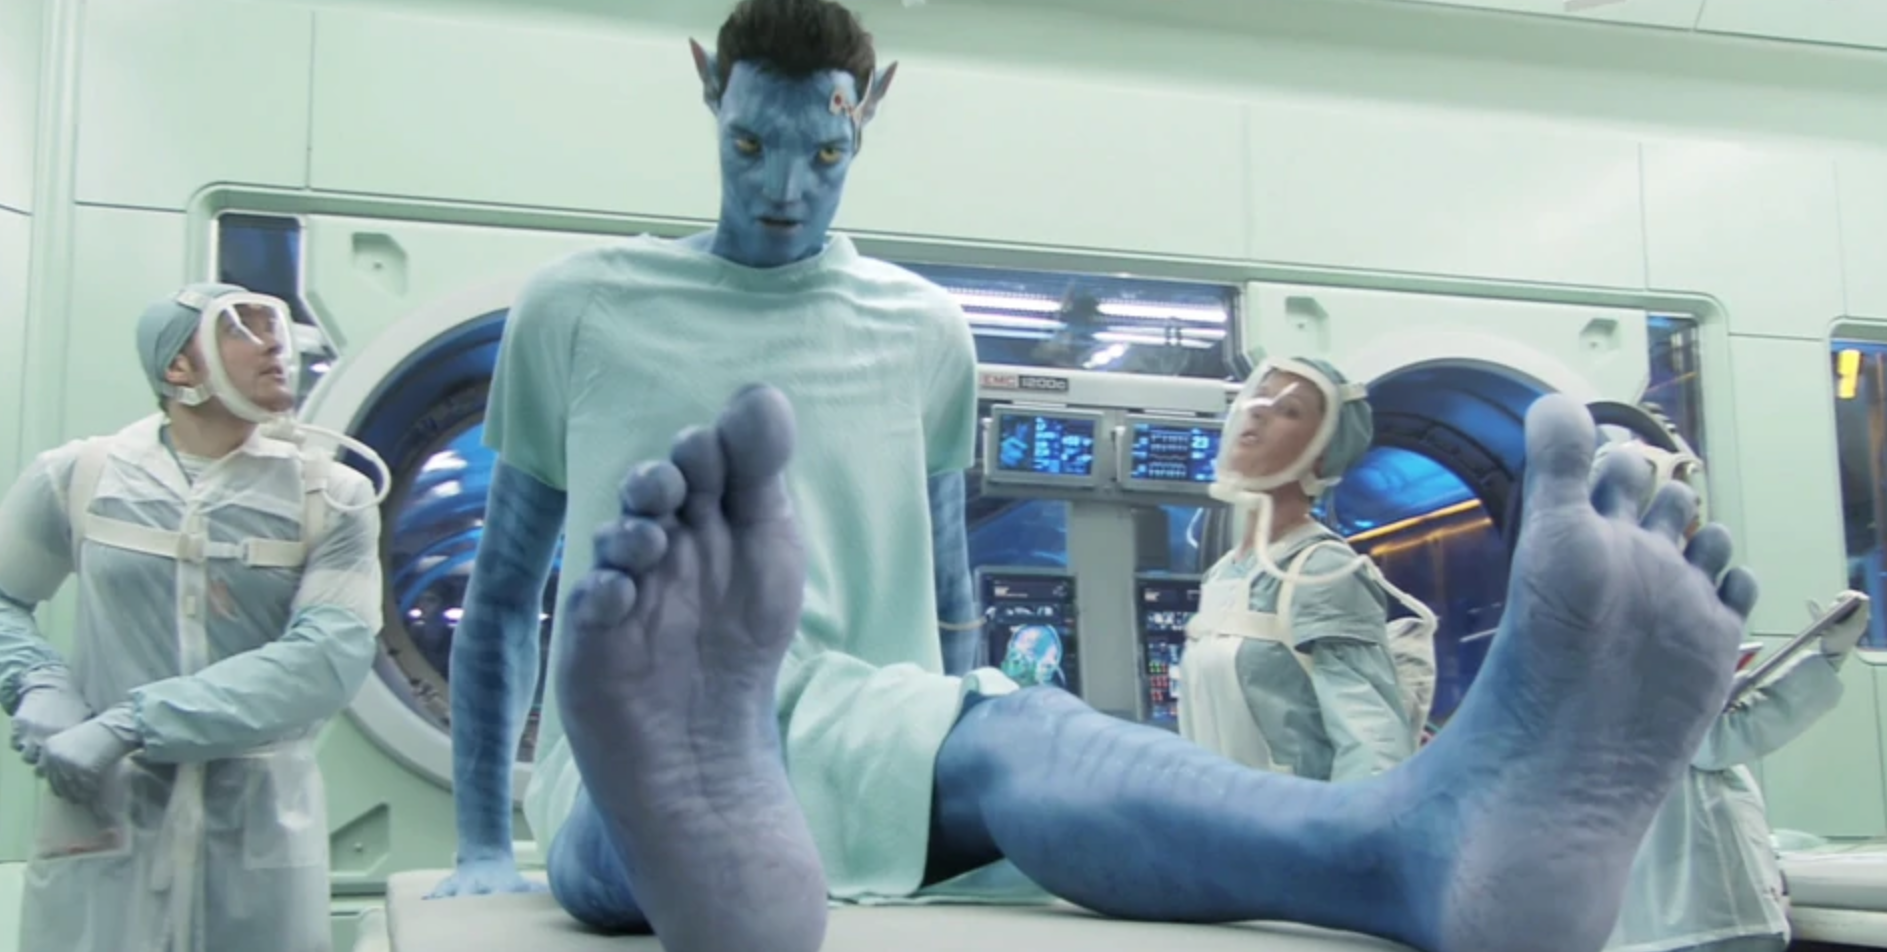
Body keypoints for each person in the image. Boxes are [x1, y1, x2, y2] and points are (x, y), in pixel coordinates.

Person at [426, 3, 1764, 952]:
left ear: (868, 120)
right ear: (708, 94)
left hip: (861, 718)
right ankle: (692, 805)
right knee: (627, 800)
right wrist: (481, 838)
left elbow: (948, 593)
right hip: (635, 722)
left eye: (823, 156)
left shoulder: (922, 329)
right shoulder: (578, 307)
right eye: (751, 148)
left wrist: (967, 700)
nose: (784, 189)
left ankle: (1421, 846)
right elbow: (500, 599)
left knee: (1033, 733)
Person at [0, 283, 389, 952]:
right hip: (103, 816)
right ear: (178, 367)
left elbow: (327, 657)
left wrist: (131, 723)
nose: (275, 343)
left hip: (256, 830)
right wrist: (35, 681)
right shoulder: (80, 476)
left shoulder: (331, 495)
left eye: (276, 326)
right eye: (242, 328)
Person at [1599, 439, 1868, 952]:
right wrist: (1828, 658)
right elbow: (1711, 742)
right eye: (1684, 509)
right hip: (1703, 916)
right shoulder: (1647, 622)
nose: (1696, 525)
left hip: (1653, 918)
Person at [1177, 356, 1433, 779]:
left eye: (1288, 410)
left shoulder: (1320, 569)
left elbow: (1372, 747)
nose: (1259, 412)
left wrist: (1348, 822)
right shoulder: (1224, 574)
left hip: (1291, 818)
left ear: (1322, 454)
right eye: (1258, 398)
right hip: (1215, 813)